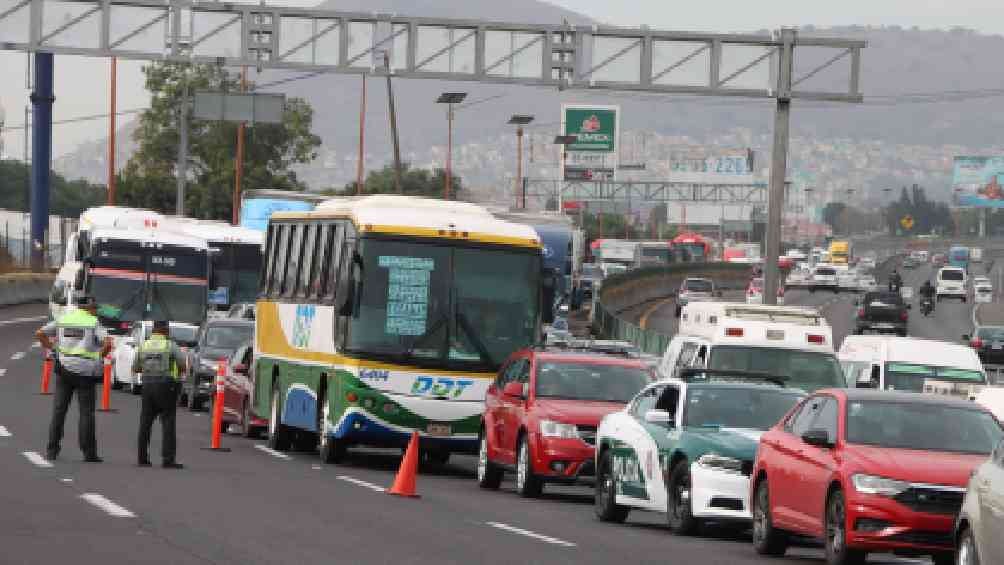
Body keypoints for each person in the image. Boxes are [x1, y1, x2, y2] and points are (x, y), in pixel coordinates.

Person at [36, 295, 112, 462]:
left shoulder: (64, 319)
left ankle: (52, 450)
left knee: (59, 411)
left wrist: (53, 349)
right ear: (89, 308)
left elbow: (40, 333)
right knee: (86, 413)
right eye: (95, 308)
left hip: (64, 369)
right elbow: (108, 344)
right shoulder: (93, 322)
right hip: (86, 372)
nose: (96, 311)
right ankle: (89, 453)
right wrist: (99, 357)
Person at [133, 320, 188, 469]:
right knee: (168, 422)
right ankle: (168, 459)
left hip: (147, 385)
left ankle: (142, 458)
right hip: (166, 385)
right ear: (165, 330)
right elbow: (183, 364)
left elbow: (136, 367)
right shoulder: (170, 345)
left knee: (145, 422)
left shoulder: (144, 345)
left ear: (153, 330)